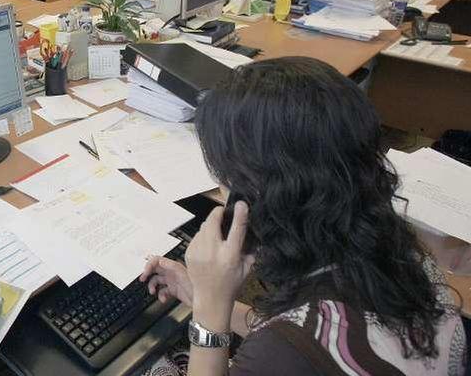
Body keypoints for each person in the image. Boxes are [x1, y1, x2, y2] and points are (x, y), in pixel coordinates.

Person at [141, 57, 466, 375]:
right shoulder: (401, 249)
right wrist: (205, 297)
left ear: (254, 200)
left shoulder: (281, 355)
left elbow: (289, 347)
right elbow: (300, 330)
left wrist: (209, 316)